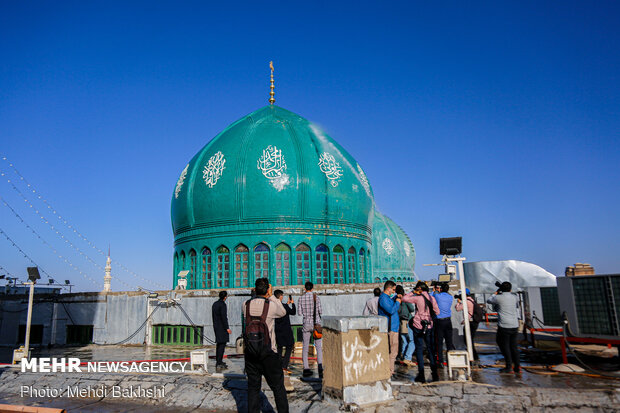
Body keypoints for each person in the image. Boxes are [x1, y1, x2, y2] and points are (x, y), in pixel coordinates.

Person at [242, 278, 289, 412]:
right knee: (278, 388)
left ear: (255, 289)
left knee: (253, 388)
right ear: (267, 289)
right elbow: (283, 312)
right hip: (269, 353)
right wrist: (272, 296)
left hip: (251, 352)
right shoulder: (271, 305)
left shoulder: (245, 304)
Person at [402, 281, 440, 383]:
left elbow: (404, 298)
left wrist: (413, 292)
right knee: (430, 349)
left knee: (419, 349)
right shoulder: (432, 298)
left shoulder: (418, 298)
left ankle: (421, 374)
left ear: (419, 289)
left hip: (418, 326)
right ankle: (434, 373)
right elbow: (437, 311)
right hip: (429, 326)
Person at [487, 281, 521, 374]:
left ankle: (509, 366)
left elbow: (489, 300)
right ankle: (517, 367)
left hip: (504, 325)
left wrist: (496, 292)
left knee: (504, 346)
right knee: (514, 347)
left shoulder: (498, 298)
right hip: (514, 325)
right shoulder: (515, 297)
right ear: (510, 289)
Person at [298, 281, 323, 378]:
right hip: (316, 324)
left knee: (305, 347)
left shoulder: (301, 298)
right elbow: (321, 311)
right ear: (312, 289)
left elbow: (299, 313)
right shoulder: (316, 298)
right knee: (318, 347)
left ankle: (306, 368)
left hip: (306, 324)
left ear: (305, 288)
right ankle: (320, 368)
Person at [378, 280, 401, 377]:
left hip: (394, 327)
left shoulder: (388, 298)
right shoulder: (383, 298)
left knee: (394, 351)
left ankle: (390, 369)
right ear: (389, 288)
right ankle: (389, 371)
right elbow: (391, 310)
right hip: (390, 328)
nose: (394, 292)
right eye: (394, 289)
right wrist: (398, 303)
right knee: (392, 351)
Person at [274, 290, 296, 373]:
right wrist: (292, 304)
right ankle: (284, 365)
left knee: (279, 348)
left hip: (277, 330)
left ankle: (279, 366)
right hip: (286, 330)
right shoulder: (284, 307)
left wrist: (287, 304)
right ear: (280, 296)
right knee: (289, 346)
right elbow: (293, 312)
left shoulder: (274, 306)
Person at [433, 283, 455, 366]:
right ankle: (450, 360)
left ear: (440, 289)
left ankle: (440, 361)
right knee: (449, 341)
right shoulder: (450, 297)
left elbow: (434, 293)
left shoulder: (438, 296)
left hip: (439, 321)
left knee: (439, 342)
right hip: (448, 321)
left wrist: (436, 289)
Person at [455, 288, 480, 362]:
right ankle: (473, 355)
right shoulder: (472, 300)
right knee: (470, 339)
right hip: (473, 322)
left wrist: (459, 302)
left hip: (470, 323)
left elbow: (458, 309)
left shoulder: (466, 302)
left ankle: (474, 356)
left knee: (468, 340)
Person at [396, 285, 415, 366]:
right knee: (412, 340)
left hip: (400, 322)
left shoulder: (395, 299)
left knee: (404, 340)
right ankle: (407, 358)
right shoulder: (405, 299)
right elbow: (412, 309)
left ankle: (403, 356)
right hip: (408, 321)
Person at [212, 290, 231, 369]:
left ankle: (219, 360)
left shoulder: (215, 304)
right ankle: (219, 362)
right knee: (222, 345)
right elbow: (224, 317)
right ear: (225, 297)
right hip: (222, 327)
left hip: (216, 326)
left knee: (219, 345)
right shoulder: (222, 305)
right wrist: (227, 328)